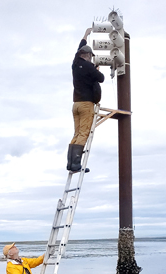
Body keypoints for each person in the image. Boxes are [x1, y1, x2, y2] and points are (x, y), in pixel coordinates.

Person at [67, 27, 105, 172]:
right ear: (88, 55)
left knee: (77, 133)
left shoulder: (75, 64)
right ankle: (76, 164)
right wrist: (95, 70)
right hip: (86, 104)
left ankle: (70, 164)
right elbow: (101, 78)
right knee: (84, 133)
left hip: (76, 104)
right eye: (91, 56)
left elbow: (79, 48)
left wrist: (85, 35)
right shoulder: (89, 67)